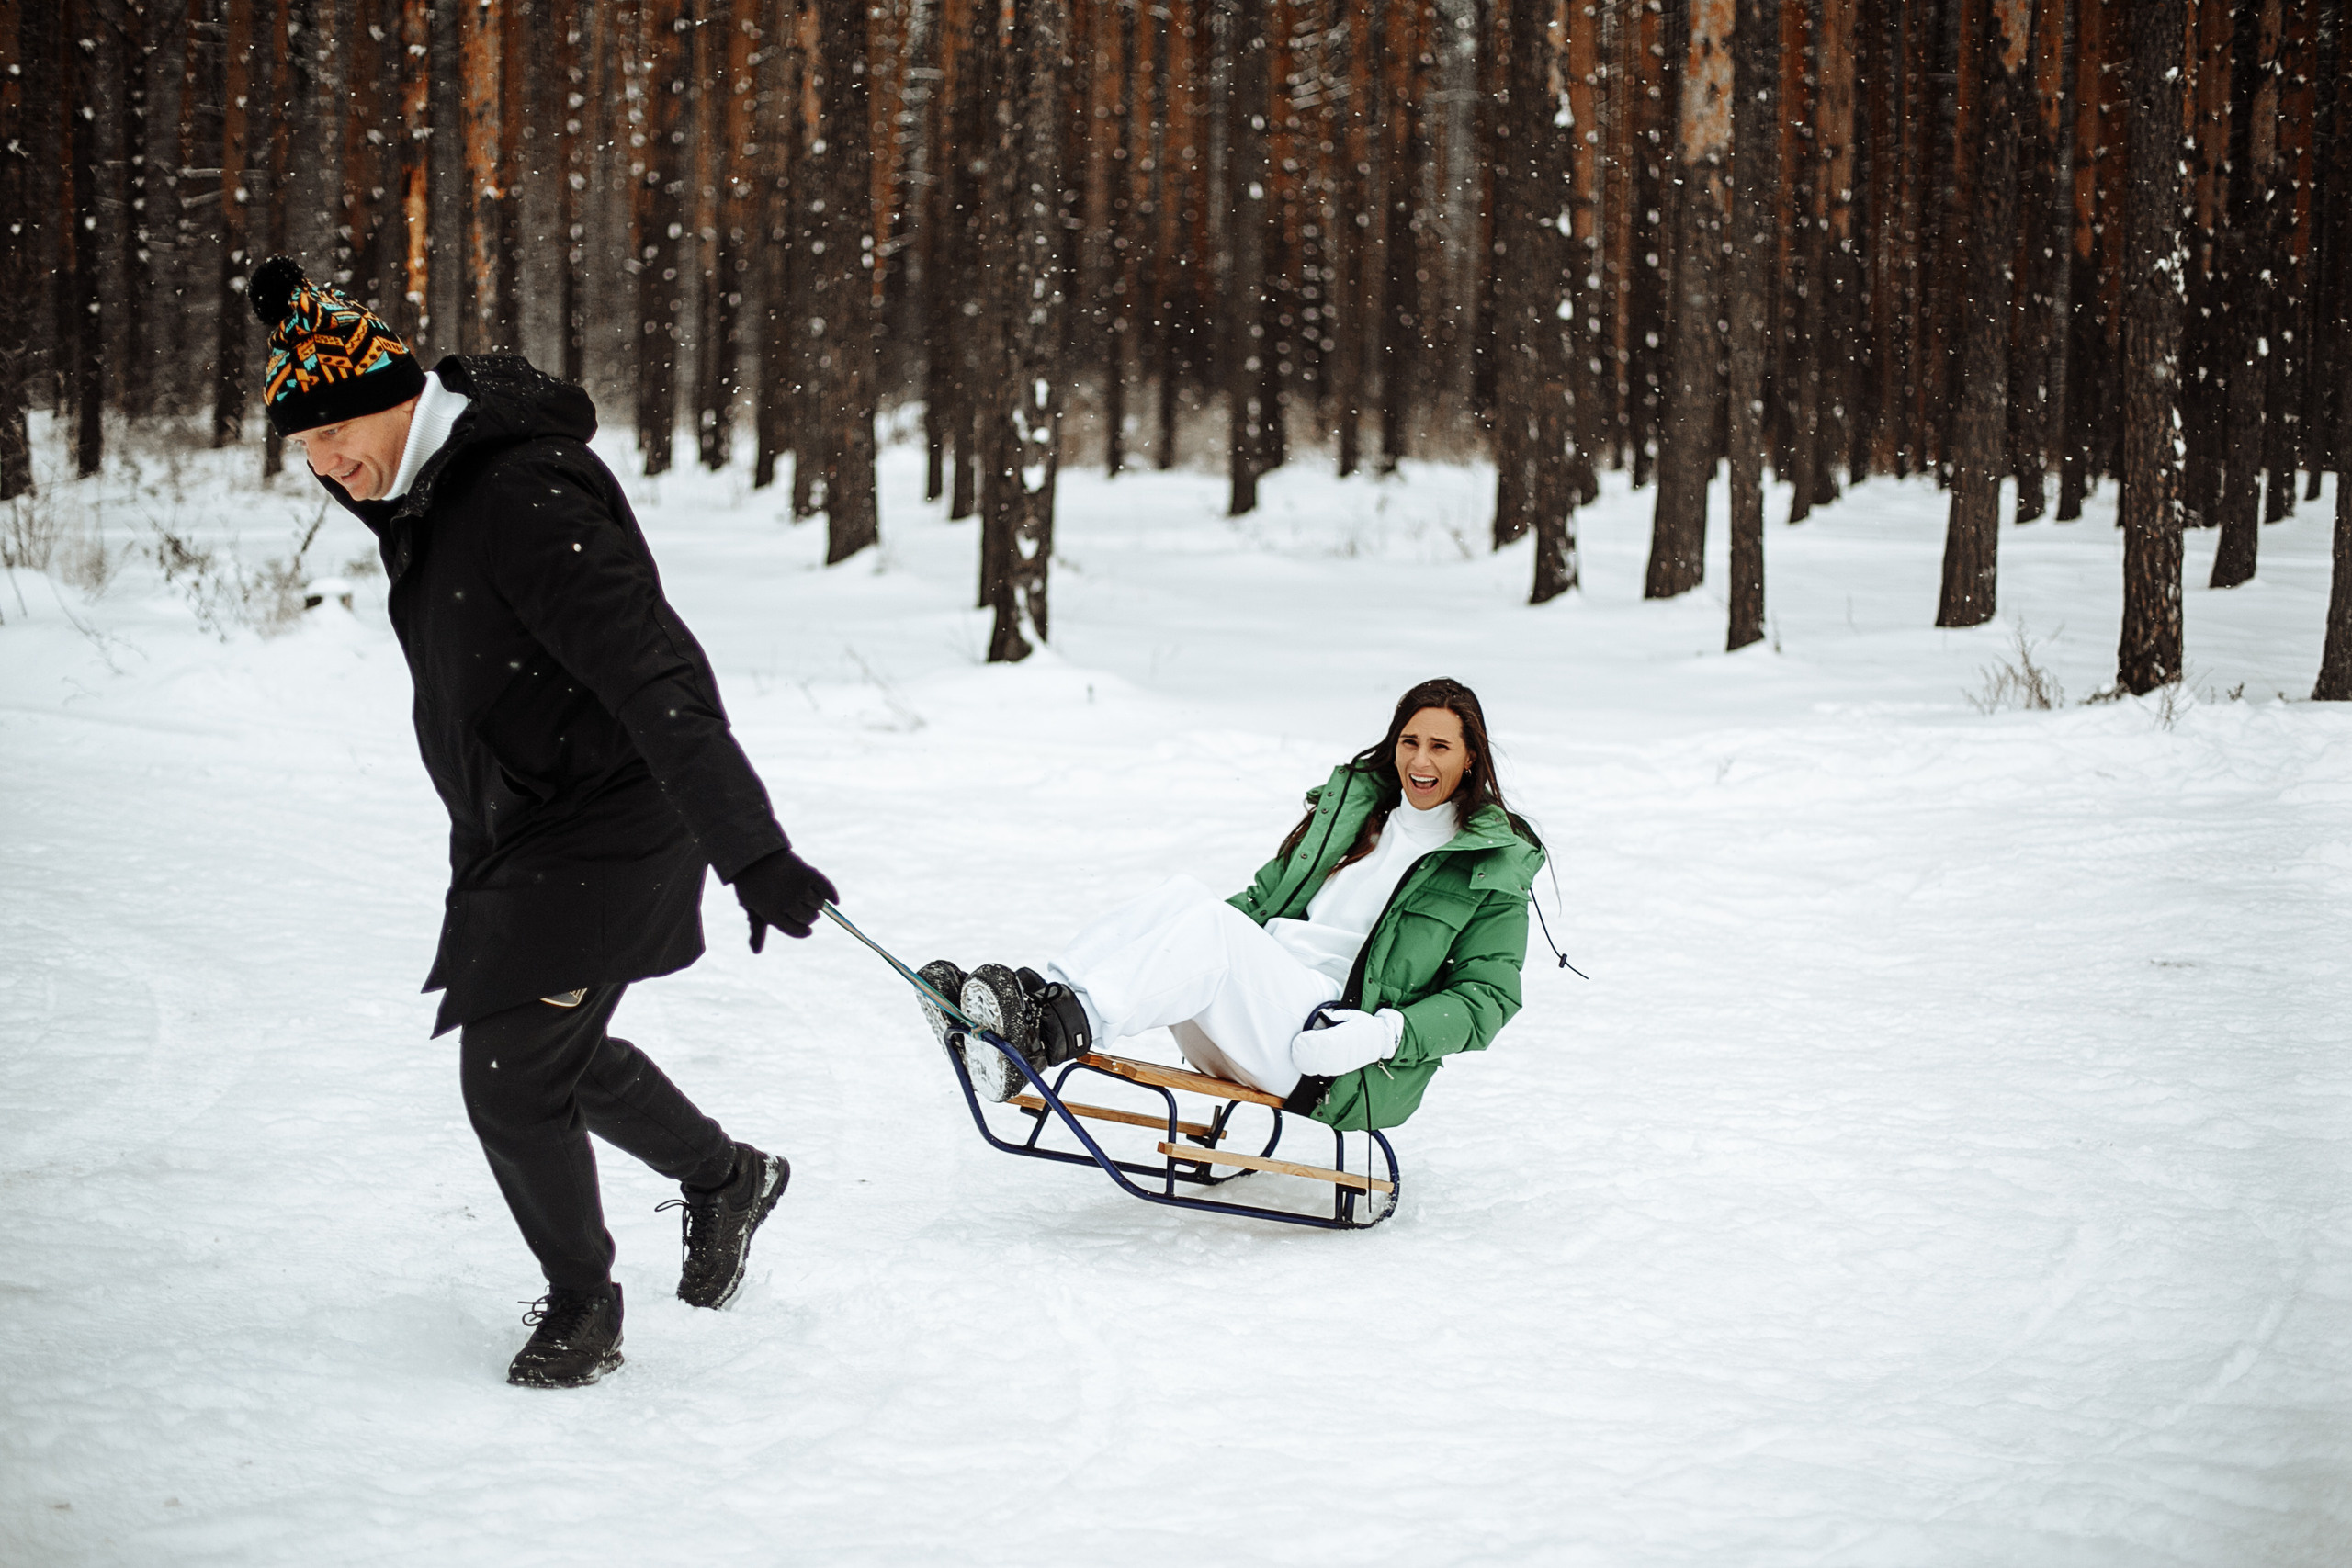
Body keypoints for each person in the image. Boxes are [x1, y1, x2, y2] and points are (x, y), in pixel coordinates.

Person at [249, 257, 838, 1389]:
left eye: (328, 437)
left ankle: (584, 1304)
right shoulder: (422, 487)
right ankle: (727, 1178)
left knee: (512, 1073)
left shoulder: (517, 493)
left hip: (611, 823)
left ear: (394, 398)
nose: (322, 467)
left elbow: (654, 670)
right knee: (549, 1043)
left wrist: (749, 847)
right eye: (303, 449)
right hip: (518, 823)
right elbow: (409, 497)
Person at [922, 678, 1545, 1134]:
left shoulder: (1489, 868)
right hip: (1261, 1004)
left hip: (1329, 1051)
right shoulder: (1358, 816)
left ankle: (1054, 1031)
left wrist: (1382, 1035)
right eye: (1410, 741)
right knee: (1187, 897)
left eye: (1441, 745)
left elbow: (1487, 999)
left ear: (1470, 758)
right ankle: (1035, 1004)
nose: (1420, 759)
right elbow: (1258, 902)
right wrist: (1171, 944)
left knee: (1214, 927)